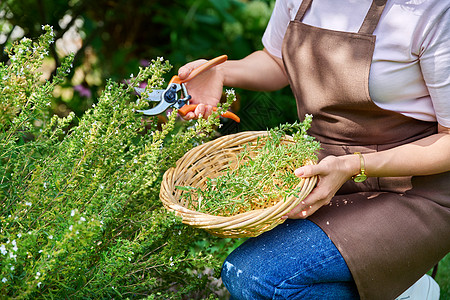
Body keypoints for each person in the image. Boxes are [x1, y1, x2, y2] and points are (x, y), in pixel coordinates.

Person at [178, 0, 450, 299]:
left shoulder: (432, 11)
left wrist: (352, 165)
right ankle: (405, 289)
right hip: (323, 173)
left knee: (257, 278)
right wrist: (222, 72)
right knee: (244, 275)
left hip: (414, 189)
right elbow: (277, 61)